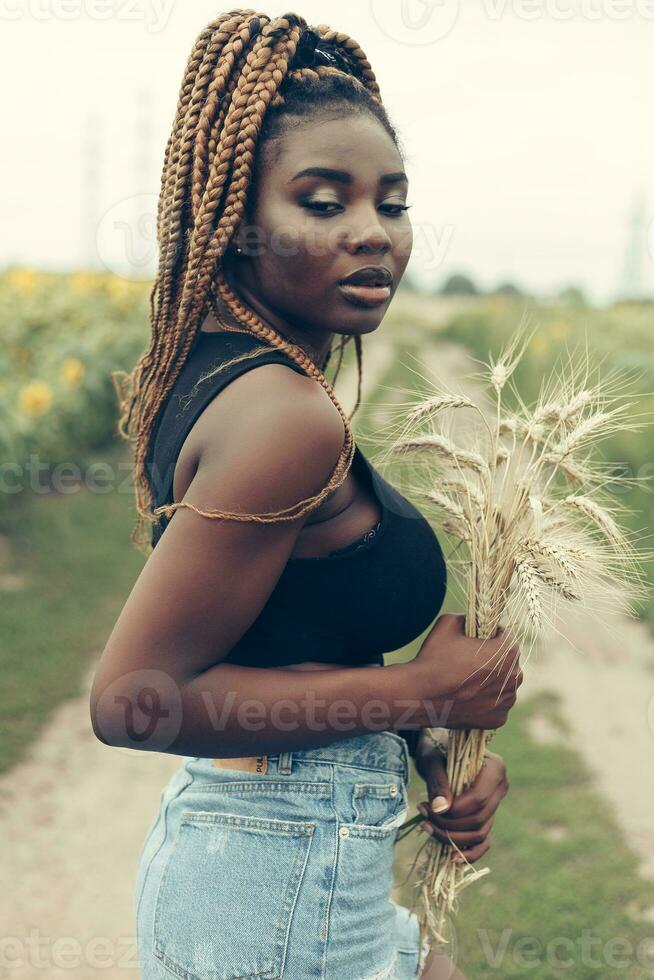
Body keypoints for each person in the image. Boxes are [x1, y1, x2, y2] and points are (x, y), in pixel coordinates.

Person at [89, 11, 523, 979]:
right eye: (321, 203)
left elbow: (283, 636)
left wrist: (426, 732)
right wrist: (422, 686)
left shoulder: (239, 377)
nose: (373, 234)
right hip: (280, 883)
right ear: (234, 224)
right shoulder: (282, 412)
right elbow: (132, 701)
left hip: (280, 857)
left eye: (393, 202)